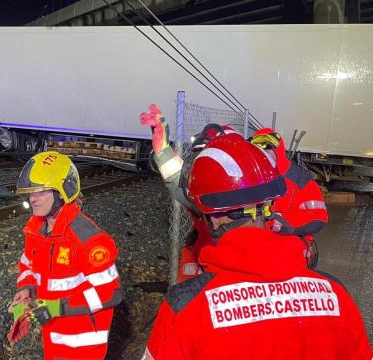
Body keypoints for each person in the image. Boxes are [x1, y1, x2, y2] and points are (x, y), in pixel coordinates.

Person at [142, 135, 371, 359]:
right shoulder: (335, 296)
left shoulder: (186, 306)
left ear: (212, 218)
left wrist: (162, 151)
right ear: (268, 205)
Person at [8, 151, 123, 360]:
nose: (32, 199)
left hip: (83, 344)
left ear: (63, 192)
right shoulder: (37, 231)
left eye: (40, 191)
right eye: (30, 193)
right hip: (53, 335)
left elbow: (110, 293)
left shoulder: (89, 239)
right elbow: (28, 266)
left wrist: (55, 307)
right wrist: (26, 290)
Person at [140, 104, 241, 281]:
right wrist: (162, 150)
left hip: (229, 266)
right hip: (206, 258)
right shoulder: (203, 191)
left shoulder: (255, 198)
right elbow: (179, 177)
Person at [250, 128, 328, 268]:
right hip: (257, 246)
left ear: (278, 152)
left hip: (291, 246)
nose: (262, 156)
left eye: (267, 151)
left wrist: (278, 223)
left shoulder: (299, 178)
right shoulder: (250, 177)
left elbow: (319, 216)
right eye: (257, 151)